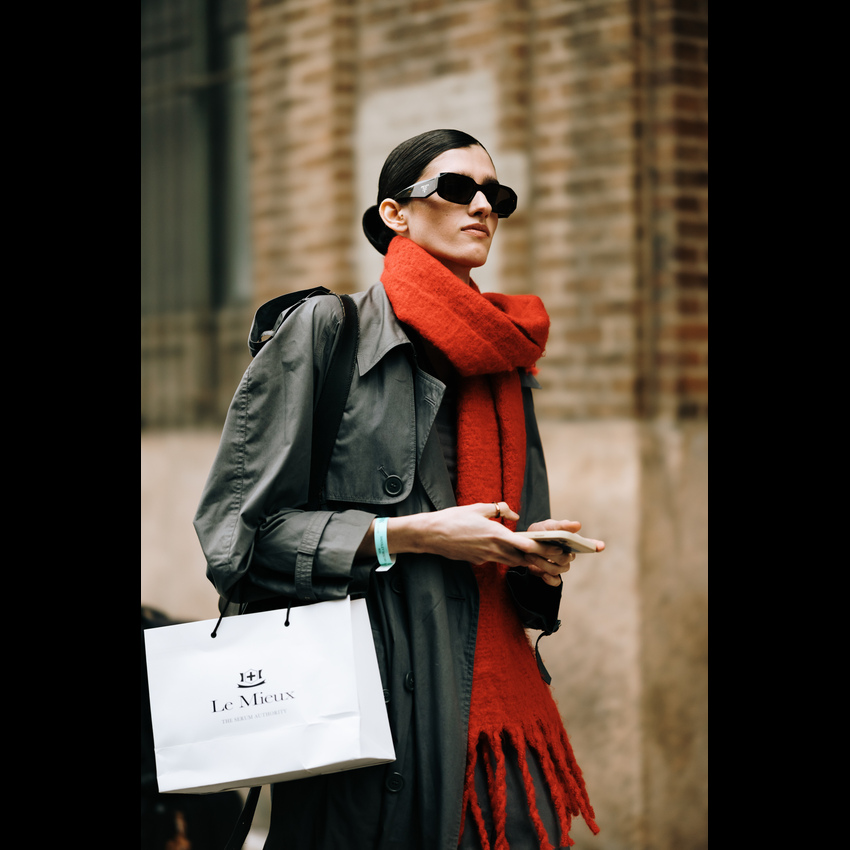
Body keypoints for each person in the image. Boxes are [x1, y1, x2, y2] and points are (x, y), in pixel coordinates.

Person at [194, 129, 603, 850]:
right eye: (457, 188)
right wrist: (408, 534)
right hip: (373, 709)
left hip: (501, 720)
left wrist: (535, 561)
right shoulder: (328, 331)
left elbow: (515, 544)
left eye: (497, 195)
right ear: (395, 213)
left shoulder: (507, 357)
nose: (483, 206)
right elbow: (240, 539)